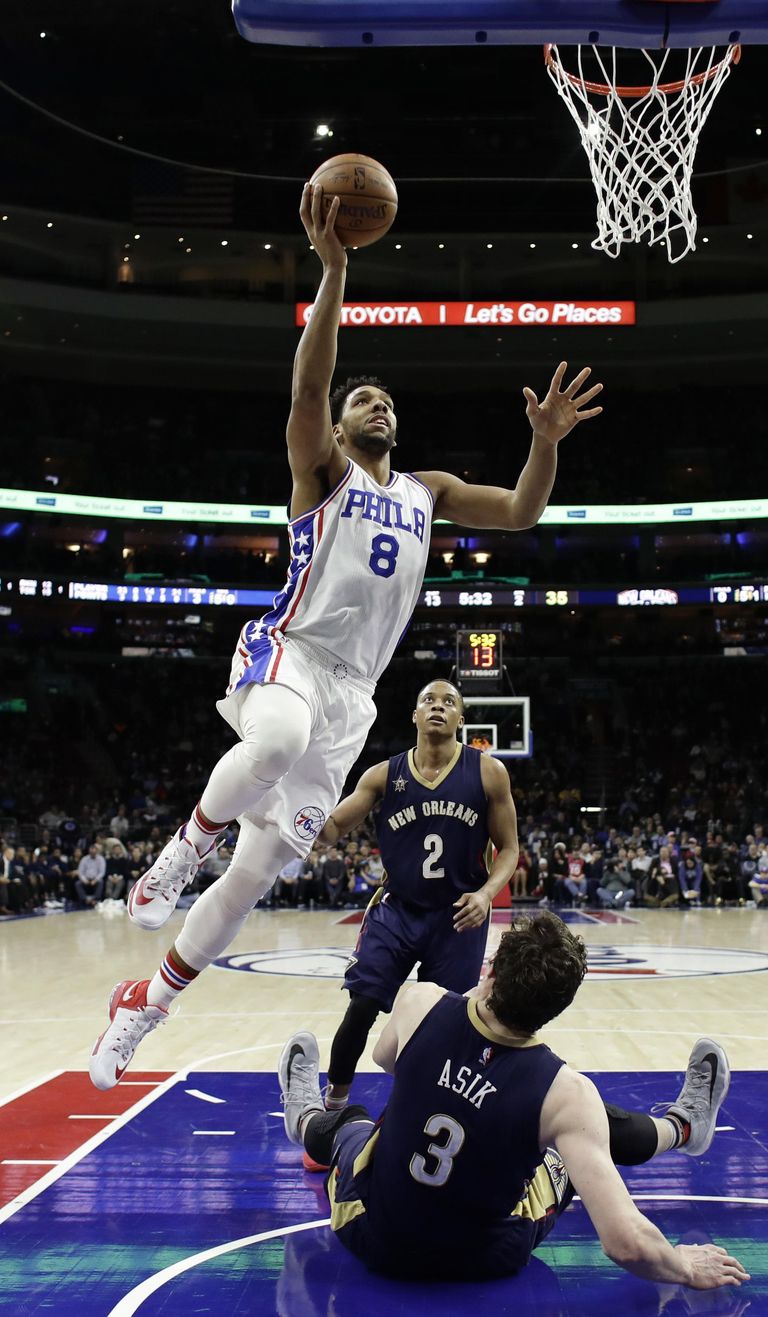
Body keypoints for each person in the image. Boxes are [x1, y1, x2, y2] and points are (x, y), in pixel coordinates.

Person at [88, 183, 603, 1090]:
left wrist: (547, 440)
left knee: (255, 873)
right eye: (362, 398)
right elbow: (307, 384)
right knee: (273, 740)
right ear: (336, 425)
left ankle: (147, 1001)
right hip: (289, 650)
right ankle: (183, 846)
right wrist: (332, 272)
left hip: (352, 697)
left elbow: (523, 509)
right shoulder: (322, 470)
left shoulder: (428, 492)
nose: (378, 405)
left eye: (385, 399)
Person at [278, 912, 747, 1291]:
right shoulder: (566, 1092)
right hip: (482, 1258)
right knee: (584, 1131)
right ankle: (683, 1127)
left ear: (491, 970)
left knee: (354, 1124)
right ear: (558, 1007)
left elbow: (387, 1061)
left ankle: (305, 1117)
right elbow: (626, 1243)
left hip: (371, 1237)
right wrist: (684, 1268)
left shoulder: (420, 1002)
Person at [312, 678, 518, 1155]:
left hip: (458, 917)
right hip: (398, 909)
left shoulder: (489, 773)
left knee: (446, 1026)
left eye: (449, 702)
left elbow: (509, 848)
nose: (438, 707)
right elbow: (333, 828)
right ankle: (332, 1109)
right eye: (428, 700)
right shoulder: (383, 775)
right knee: (361, 1006)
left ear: (461, 718)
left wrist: (486, 894)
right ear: (414, 714)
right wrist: (296, 807)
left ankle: (422, 1118)